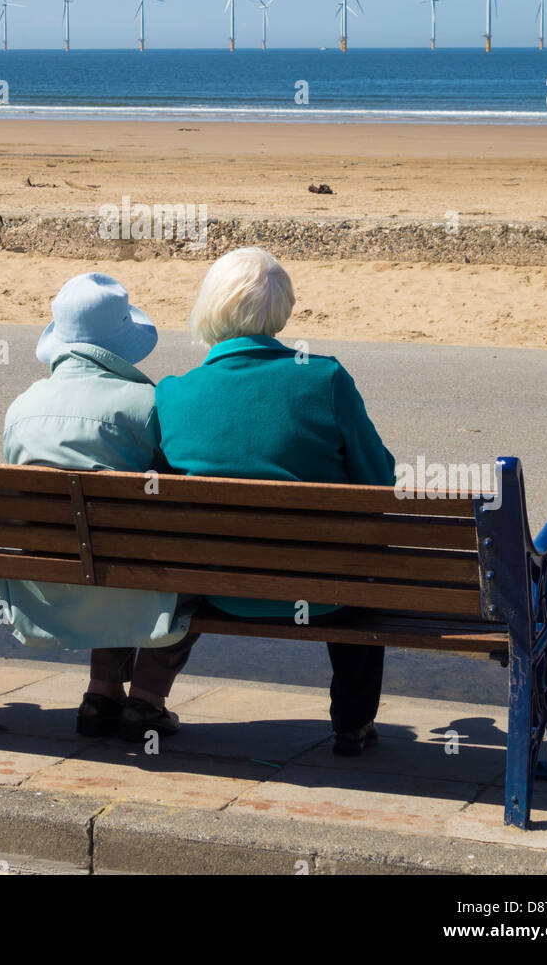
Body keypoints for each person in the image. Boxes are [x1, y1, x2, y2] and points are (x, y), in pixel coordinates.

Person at [155, 247, 396, 757]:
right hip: (323, 593)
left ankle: (142, 697)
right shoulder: (325, 378)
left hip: (217, 587)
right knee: (358, 565)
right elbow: (379, 482)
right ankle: (351, 724)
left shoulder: (174, 393)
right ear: (281, 309)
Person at [0, 273, 198, 742]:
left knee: (104, 555)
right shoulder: (148, 403)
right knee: (160, 563)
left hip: (44, 587)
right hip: (131, 588)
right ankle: (147, 701)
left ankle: (101, 693)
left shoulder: (23, 405)